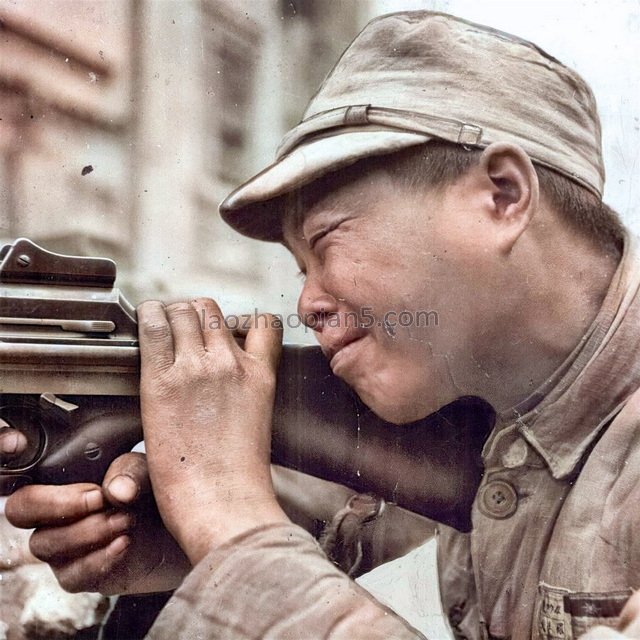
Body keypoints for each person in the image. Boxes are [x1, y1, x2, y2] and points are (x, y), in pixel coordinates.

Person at [5, 10, 640, 639]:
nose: (306, 303)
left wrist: (230, 525)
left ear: (501, 195)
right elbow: (408, 554)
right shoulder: (503, 416)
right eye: (300, 268)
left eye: (328, 241)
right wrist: (190, 549)